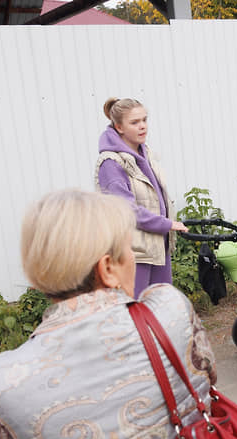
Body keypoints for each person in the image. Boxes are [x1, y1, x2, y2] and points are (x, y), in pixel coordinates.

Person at [0, 190, 216, 439]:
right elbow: (208, 381)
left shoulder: (3, 379)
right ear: (107, 268)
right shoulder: (169, 313)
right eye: (129, 253)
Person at [95, 97, 188, 299]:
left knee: (161, 309)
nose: (143, 126)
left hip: (156, 246)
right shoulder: (111, 164)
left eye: (144, 120)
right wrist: (166, 224)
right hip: (133, 252)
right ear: (119, 127)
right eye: (135, 122)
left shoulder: (145, 154)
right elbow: (126, 210)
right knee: (134, 313)